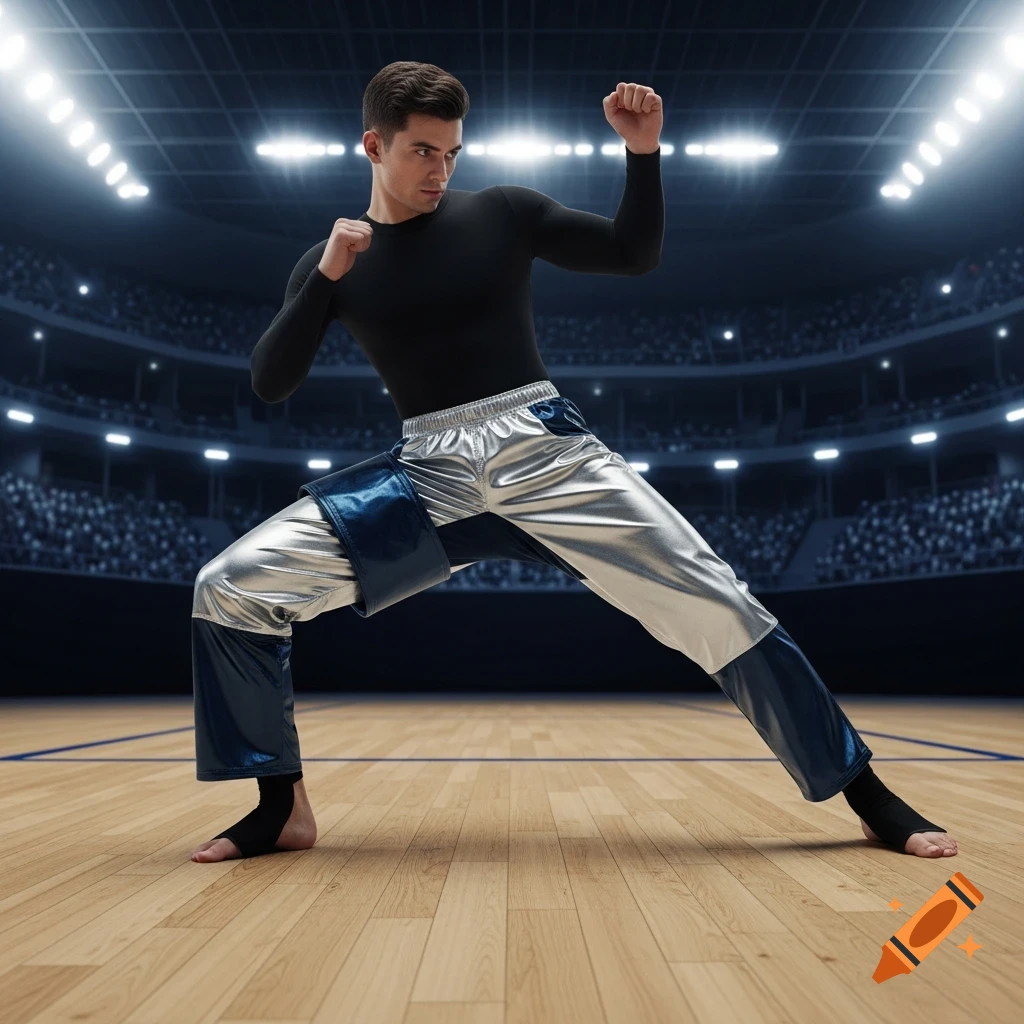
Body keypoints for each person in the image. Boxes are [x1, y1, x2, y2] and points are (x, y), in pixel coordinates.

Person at [190, 62, 957, 863]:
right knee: (230, 586)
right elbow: (271, 381)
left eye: (451, 152)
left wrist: (644, 153)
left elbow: (632, 252)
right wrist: (325, 279)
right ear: (373, 146)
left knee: (719, 602)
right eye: (422, 152)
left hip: (549, 456)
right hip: (430, 475)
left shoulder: (502, 212)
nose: (440, 170)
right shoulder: (333, 261)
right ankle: (281, 809)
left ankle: (866, 793)